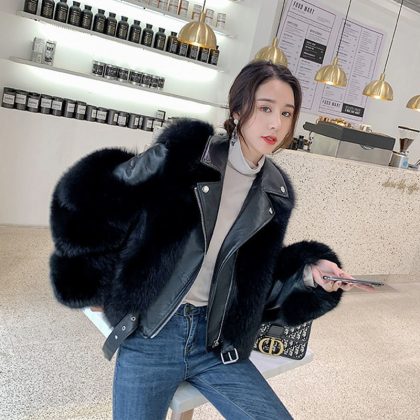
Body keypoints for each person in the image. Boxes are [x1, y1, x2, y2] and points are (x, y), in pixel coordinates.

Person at [49, 61, 370, 419]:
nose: (276, 124)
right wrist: (94, 287)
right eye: (265, 108)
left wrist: (310, 274)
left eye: (286, 113)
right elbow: (88, 201)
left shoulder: (275, 192)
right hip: (153, 335)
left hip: (215, 342)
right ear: (238, 110)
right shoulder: (186, 155)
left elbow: (254, 278)